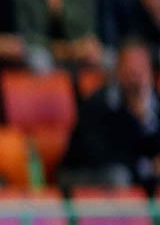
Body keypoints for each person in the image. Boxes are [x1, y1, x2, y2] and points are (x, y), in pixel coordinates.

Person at [59, 41, 160, 192]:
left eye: (141, 67)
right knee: (118, 176)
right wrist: (145, 167)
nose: (136, 74)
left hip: (131, 172)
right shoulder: (98, 104)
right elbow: (100, 156)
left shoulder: (153, 104)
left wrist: (146, 120)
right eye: (130, 68)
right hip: (82, 173)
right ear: (118, 70)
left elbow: (152, 149)